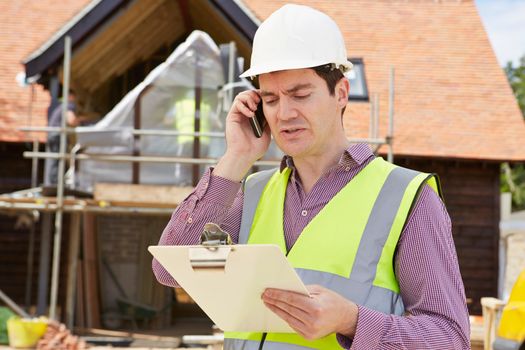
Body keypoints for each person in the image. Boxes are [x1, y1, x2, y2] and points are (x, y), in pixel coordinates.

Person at [152, 4, 470, 349]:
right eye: (270, 99)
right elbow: (169, 269)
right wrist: (236, 157)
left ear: (341, 93)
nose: (285, 113)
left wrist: (353, 321)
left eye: (300, 94)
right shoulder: (253, 192)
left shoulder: (407, 198)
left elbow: (449, 339)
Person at [46, 90, 85, 185]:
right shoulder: (68, 105)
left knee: (56, 159)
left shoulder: (59, 106)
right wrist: (82, 120)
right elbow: (71, 120)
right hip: (58, 135)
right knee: (59, 159)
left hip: (52, 134)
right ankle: (55, 185)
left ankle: (54, 183)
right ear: (71, 96)